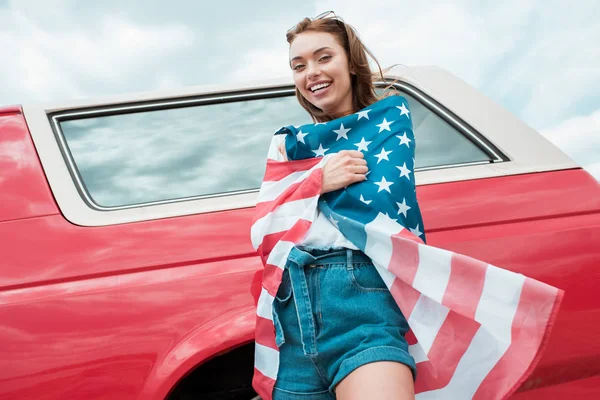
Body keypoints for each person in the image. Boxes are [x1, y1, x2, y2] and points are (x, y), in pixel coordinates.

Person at [270, 11, 416, 400]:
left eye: (323, 57)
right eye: (298, 66)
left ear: (350, 63)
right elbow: (265, 224)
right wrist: (317, 181)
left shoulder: (390, 119)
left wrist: (306, 188)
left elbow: (388, 206)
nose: (311, 73)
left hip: (362, 304)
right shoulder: (287, 144)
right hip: (292, 317)